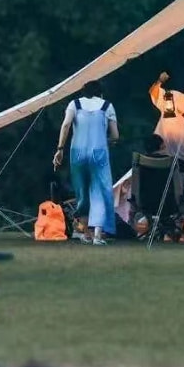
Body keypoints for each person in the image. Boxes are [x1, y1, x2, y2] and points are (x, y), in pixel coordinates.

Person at [52, 80, 119, 245]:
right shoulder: (107, 106)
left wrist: (60, 149)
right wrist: (107, 141)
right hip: (99, 153)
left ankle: (86, 233)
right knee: (99, 192)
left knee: (82, 192)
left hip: (78, 153)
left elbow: (66, 124)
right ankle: (97, 235)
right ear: (100, 93)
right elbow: (115, 135)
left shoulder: (74, 104)